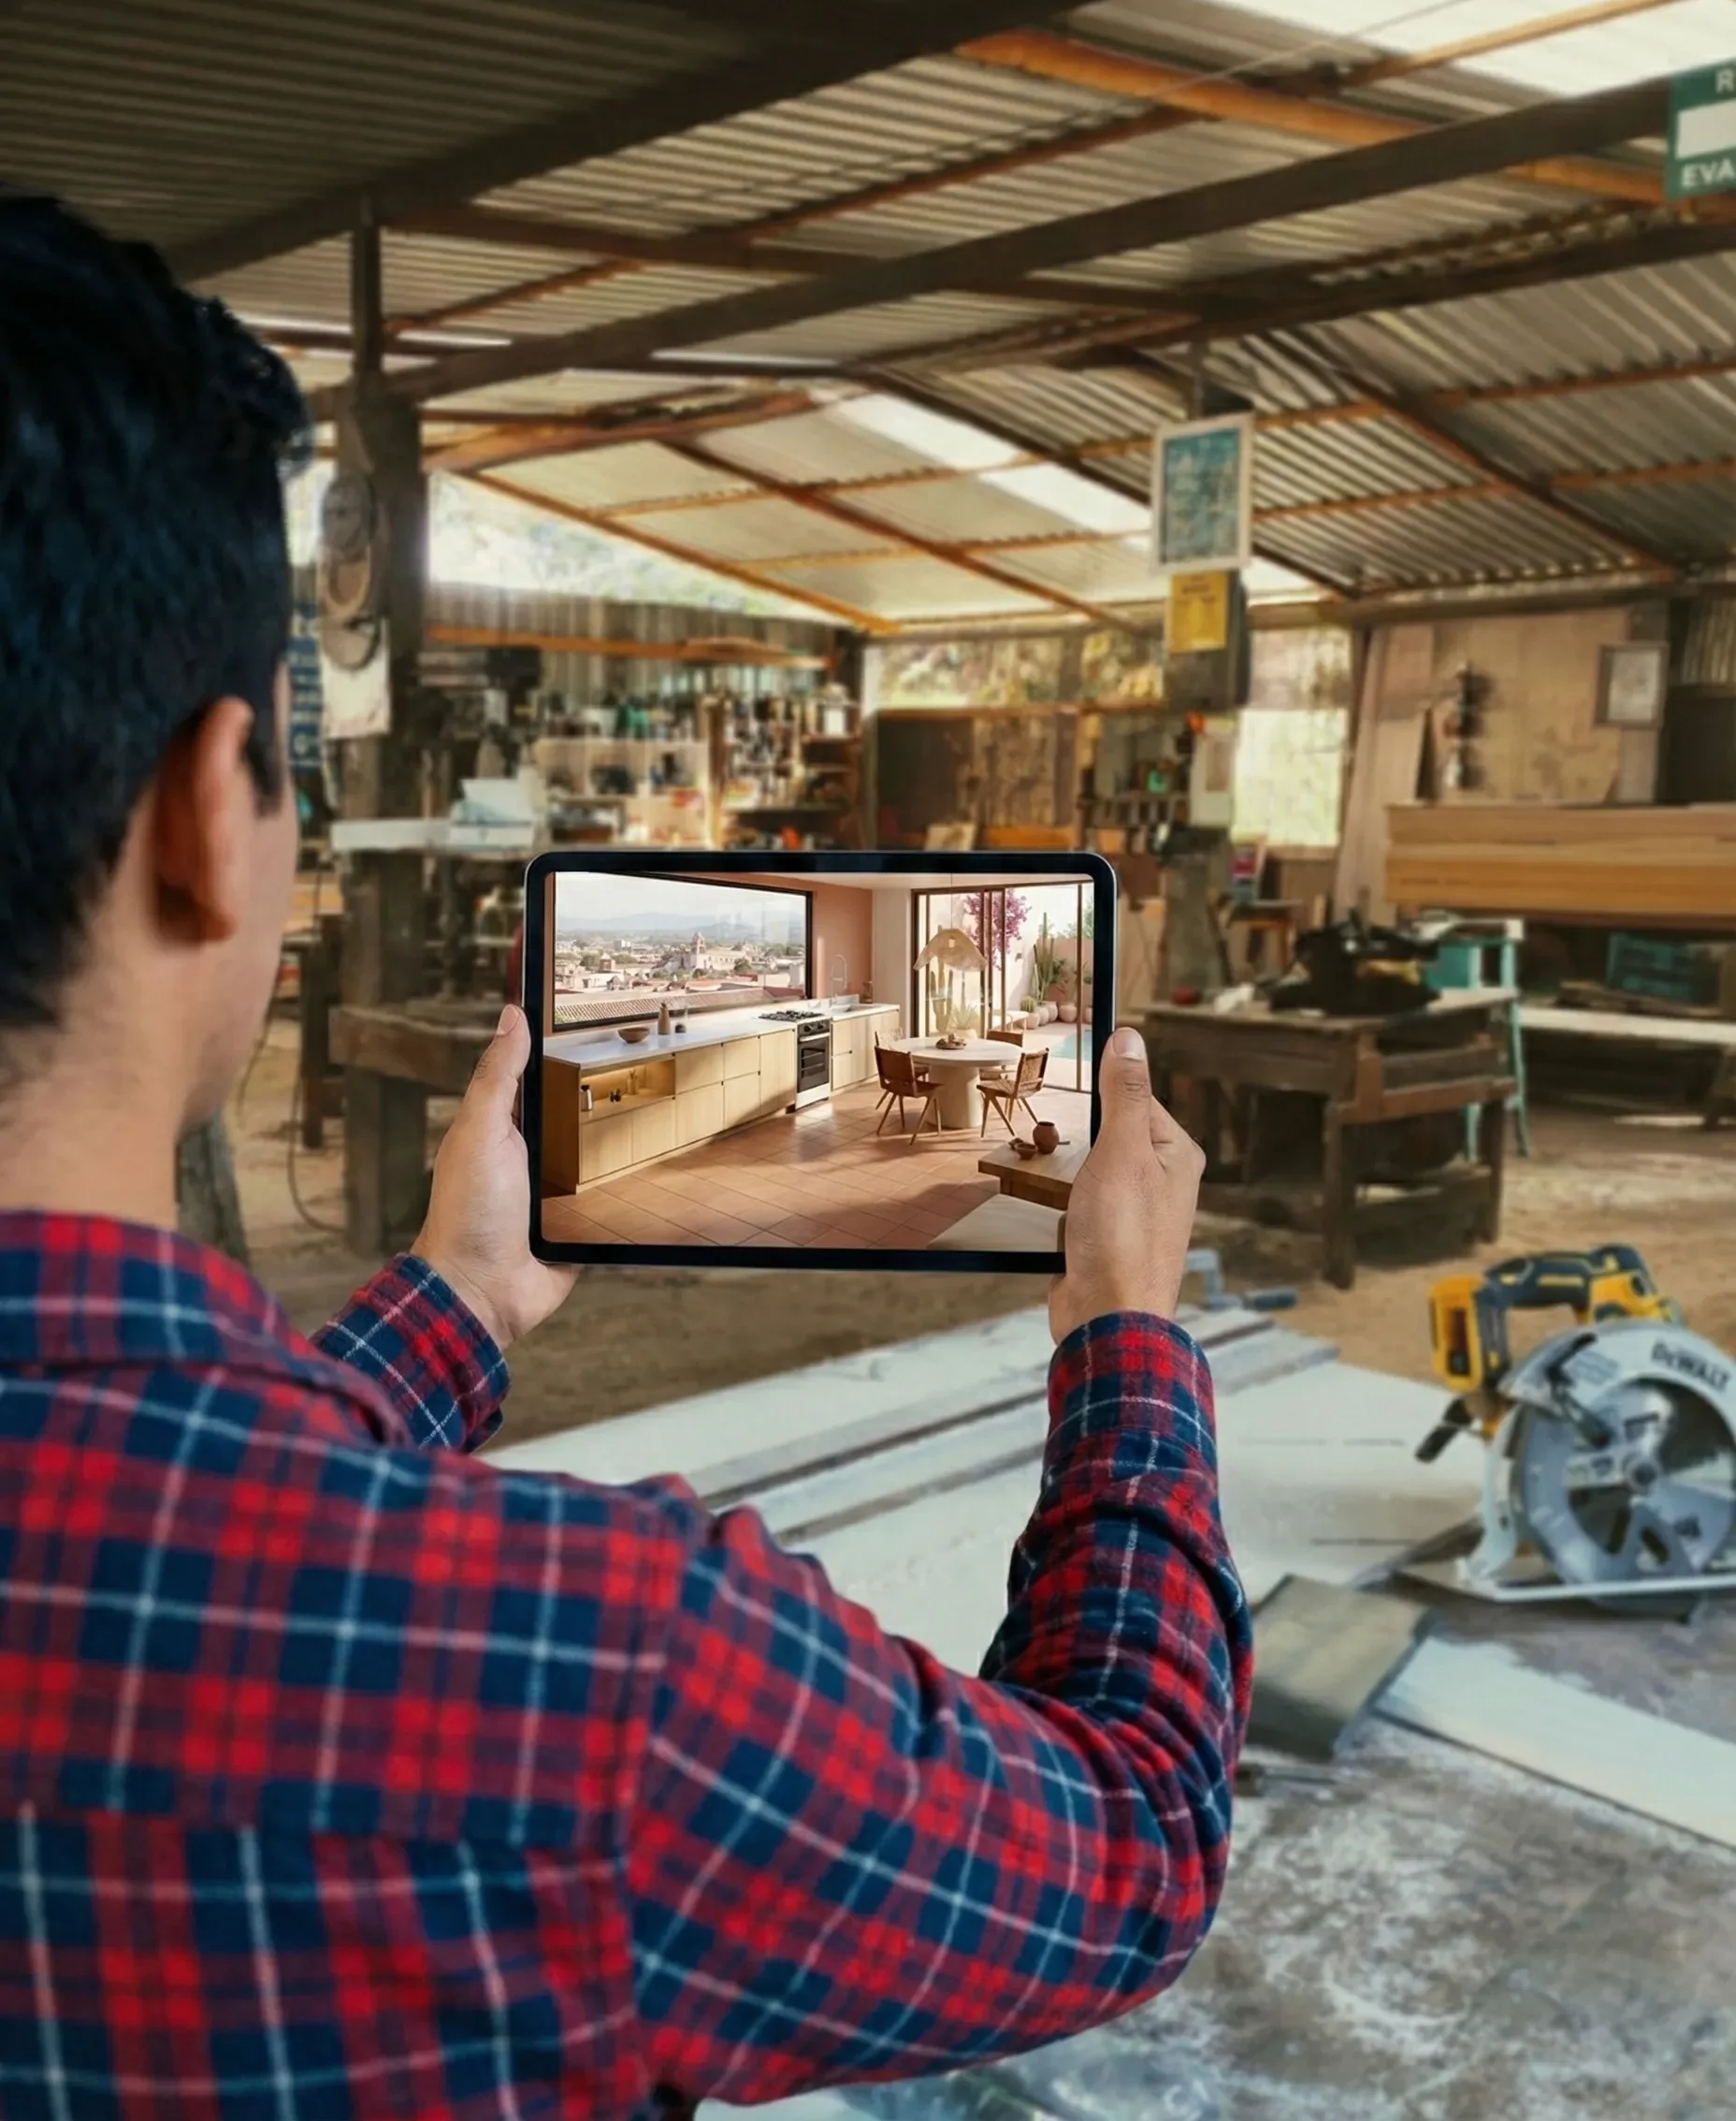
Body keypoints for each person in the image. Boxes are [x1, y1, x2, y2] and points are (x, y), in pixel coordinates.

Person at [0, 195, 1251, 2120]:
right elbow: (1133, 1841)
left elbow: (152, 1526)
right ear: (205, 820)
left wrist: (464, 1302)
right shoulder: (600, 1689)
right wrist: (1127, 1353)